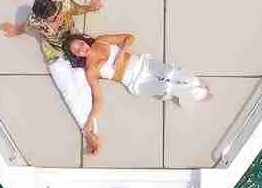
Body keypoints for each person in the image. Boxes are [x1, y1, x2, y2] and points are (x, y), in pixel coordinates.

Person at [62, 32, 210, 154]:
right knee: (166, 88)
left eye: (80, 44)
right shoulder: (91, 72)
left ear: (83, 40)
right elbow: (98, 99)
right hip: (135, 82)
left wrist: (121, 53)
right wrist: (90, 119)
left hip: (142, 63)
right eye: (76, 51)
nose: (82, 49)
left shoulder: (101, 41)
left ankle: (193, 85)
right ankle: (193, 90)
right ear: (76, 56)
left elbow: (129, 37)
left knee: (171, 73)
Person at [0, 0, 104, 63]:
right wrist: (15, 30)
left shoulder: (65, 6)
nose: (57, 18)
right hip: (54, 46)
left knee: (90, 49)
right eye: (51, 19)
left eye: (56, 14)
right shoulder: (35, 21)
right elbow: (25, 27)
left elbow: (79, 9)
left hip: (72, 35)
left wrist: (91, 8)